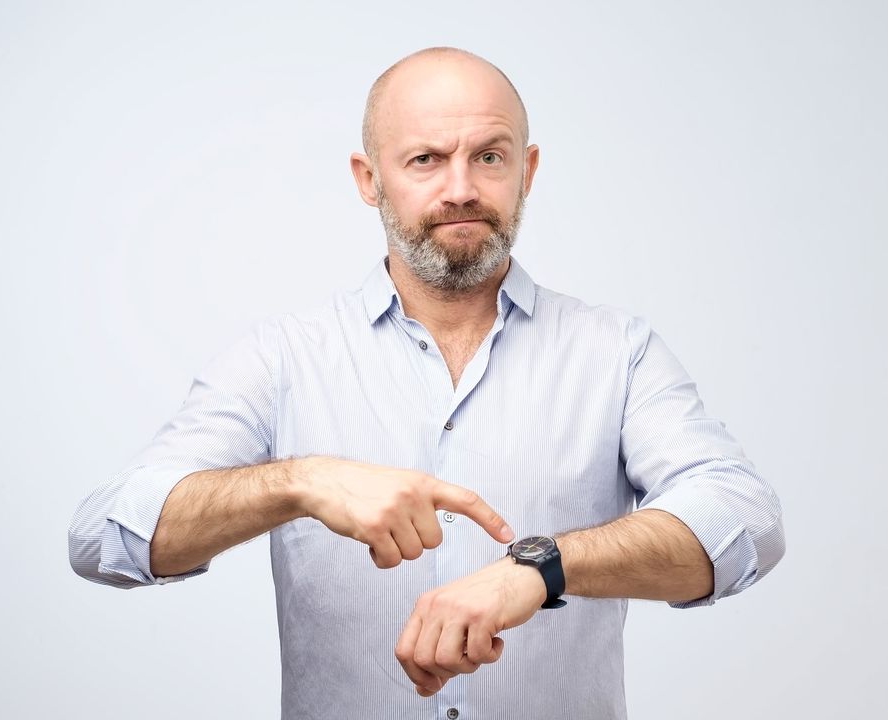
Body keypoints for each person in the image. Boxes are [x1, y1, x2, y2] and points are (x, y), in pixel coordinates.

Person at [68, 46, 785, 719]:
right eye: (425, 160)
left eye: (490, 157)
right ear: (368, 178)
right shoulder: (285, 358)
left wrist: (542, 570)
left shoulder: (617, 352)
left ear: (527, 171)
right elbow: (105, 536)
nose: (462, 189)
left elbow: (744, 520)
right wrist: (301, 482)